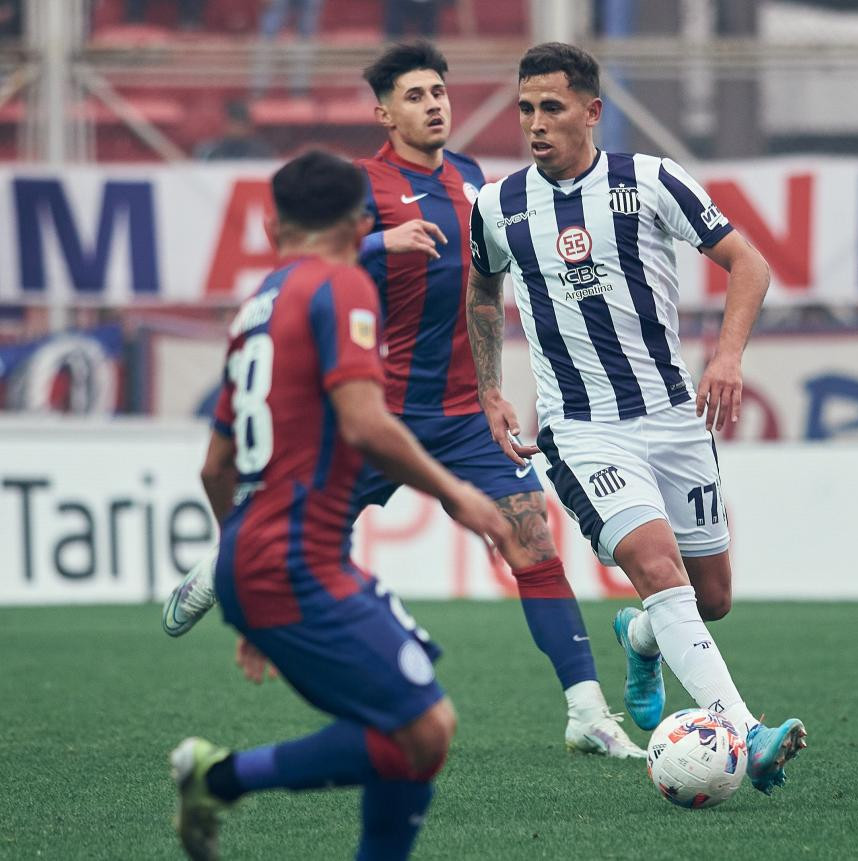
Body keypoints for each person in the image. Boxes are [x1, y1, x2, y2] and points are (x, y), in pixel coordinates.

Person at [164, 41, 643, 760]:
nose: (435, 104)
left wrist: (490, 388)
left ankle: (587, 712)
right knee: (291, 536)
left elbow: (485, 291)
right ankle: (222, 564)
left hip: (461, 419)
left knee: (535, 546)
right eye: (416, 95)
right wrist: (383, 242)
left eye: (440, 92)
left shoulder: (477, 179)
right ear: (384, 113)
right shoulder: (361, 187)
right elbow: (302, 271)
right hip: (373, 417)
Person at [465, 42, 808, 795]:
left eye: (551, 107)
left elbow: (748, 263)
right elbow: (484, 294)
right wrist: (491, 388)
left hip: (673, 416)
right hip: (582, 430)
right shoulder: (499, 204)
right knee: (657, 566)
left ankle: (644, 636)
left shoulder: (651, 182)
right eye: (525, 109)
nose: (535, 124)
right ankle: (746, 734)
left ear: (592, 111)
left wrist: (726, 358)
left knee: (709, 596)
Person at [169, 149, 510, 861]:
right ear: (361, 223)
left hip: (278, 560)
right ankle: (219, 776)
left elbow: (215, 465)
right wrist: (458, 493)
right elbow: (365, 422)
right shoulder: (343, 284)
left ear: (270, 223)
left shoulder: (254, 307)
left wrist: (240, 570)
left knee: (414, 726)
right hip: (293, 561)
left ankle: (221, 777)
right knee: (424, 730)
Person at [193, 101, 275, 161]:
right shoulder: (209, 149)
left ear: (248, 125)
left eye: (241, 124)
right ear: (225, 123)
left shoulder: (261, 151)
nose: (237, 128)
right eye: (233, 123)